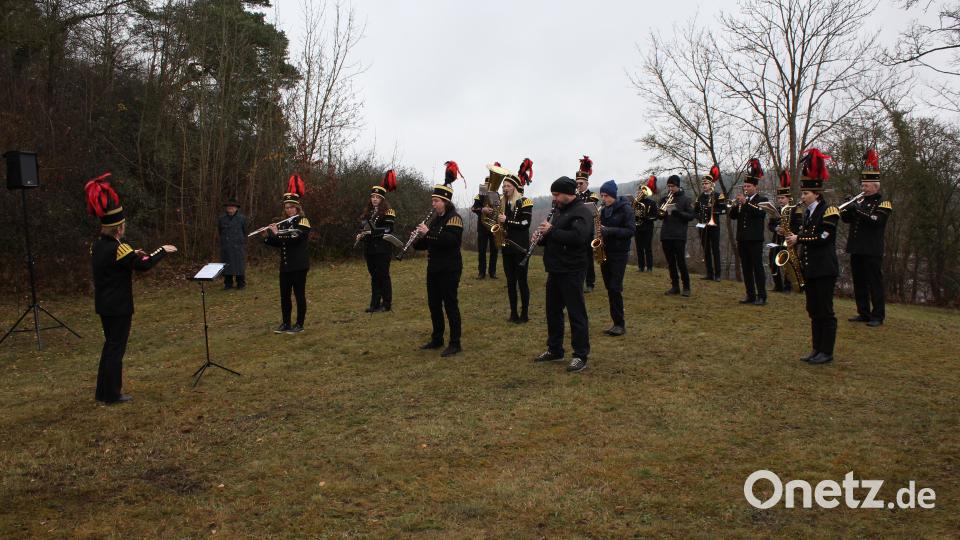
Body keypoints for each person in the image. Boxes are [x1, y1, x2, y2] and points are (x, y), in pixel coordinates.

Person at [85, 173, 176, 404]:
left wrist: (132, 254)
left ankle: (102, 392)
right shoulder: (120, 246)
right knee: (116, 350)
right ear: (118, 228)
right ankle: (113, 394)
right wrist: (162, 250)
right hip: (119, 306)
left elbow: (116, 263)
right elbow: (143, 266)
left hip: (104, 304)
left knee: (109, 347)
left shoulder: (97, 245)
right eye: (123, 226)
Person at [534, 176, 594, 373]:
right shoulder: (560, 210)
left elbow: (578, 238)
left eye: (557, 194)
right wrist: (541, 237)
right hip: (555, 269)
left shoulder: (582, 212)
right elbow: (555, 237)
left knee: (576, 314)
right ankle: (555, 349)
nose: (555, 199)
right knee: (553, 312)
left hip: (573, 269)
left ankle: (580, 355)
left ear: (568, 193)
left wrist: (551, 231)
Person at [786, 148, 840, 365]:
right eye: (802, 194)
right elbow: (807, 234)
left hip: (824, 269)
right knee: (814, 310)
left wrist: (799, 239)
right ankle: (816, 348)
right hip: (811, 269)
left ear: (816, 193)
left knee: (826, 311)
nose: (803, 197)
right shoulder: (807, 213)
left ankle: (827, 351)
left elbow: (824, 236)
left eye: (806, 194)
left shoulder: (830, 211)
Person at [841, 148, 893, 327]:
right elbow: (848, 220)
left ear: (875, 186)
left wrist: (858, 210)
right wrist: (847, 209)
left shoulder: (883, 203)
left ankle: (878, 315)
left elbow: (876, 221)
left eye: (866, 186)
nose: (862, 189)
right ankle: (863, 312)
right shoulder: (860, 202)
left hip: (872, 249)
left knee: (874, 283)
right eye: (862, 186)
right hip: (856, 248)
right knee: (859, 282)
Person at [415, 183, 464, 357]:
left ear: (445, 201)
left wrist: (428, 233)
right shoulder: (435, 220)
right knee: (434, 304)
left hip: (450, 268)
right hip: (434, 267)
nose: (433, 204)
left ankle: (455, 342)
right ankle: (437, 338)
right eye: (433, 201)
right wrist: (418, 237)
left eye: (436, 201)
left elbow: (450, 241)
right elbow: (425, 244)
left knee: (450, 304)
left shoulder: (454, 218)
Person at [261, 175, 311, 334]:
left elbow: (294, 239)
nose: (288, 210)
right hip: (286, 265)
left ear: (297, 208)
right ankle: (286, 323)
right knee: (284, 296)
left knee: (299, 295)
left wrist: (277, 233)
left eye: (291, 207)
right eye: (286, 207)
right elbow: (279, 243)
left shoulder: (303, 221)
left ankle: (299, 324)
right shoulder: (284, 223)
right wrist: (267, 237)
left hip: (299, 265)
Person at [597, 180, 635, 336]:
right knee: (609, 289)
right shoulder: (603, 210)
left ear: (613, 195)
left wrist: (609, 231)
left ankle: (620, 324)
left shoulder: (626, 209)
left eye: (606, 196)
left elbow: (630, 231)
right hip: (605, 252)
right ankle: (615, 322)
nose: (603, 199)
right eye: (602, 195)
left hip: (619, 253)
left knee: (615, 287)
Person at [729, 159, 769, 306]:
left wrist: (746, 203)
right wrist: (735, 205)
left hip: (755, 239)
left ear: (755, 187)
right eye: (744, 186)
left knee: (757, 268)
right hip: (742, 239)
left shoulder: (761, 199)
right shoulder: (742, 201)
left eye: (748, 186)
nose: (746, 188)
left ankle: (762, 296)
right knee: (746, 268)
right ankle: (750, 294)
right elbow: (733, 217)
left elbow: (760, 214)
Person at [358, 171, 398, 312]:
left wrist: (370, 232)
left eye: (377, 197)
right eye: (373, 197)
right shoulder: (368, 213)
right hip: (370, 250)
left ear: (382, 199)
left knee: (383, 275)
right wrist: (362, 235)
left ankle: (386, 304)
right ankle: (374, 304)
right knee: (374, 276)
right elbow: (363, 228)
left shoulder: (389, 211)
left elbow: (388, 229)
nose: (374, 199)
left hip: (382, 249)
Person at [498, 173, 533, 323]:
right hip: (506, 248)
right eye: (504, 186)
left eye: (508, 186)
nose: (505, 189)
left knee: (522, 281)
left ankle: (524, 313)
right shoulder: (502, 203)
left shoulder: (525, 201)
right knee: (510, 282)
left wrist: (508, 220)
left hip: (520, 248)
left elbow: (526, 224)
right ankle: (513, 313)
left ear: (515, 187)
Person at [656, 175, 695, 297]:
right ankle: (675, 286)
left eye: (672, 186)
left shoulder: (685, 200)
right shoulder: (664, 199)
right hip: (666, 234)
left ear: (678, 186)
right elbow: (660, 216)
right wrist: (661, 212)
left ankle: (686, 287)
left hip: (679, 235)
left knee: (681, 262)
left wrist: (678, 213)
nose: (670, 188)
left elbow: (691, 216)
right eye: (669, 186)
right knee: (671, 262)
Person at [693, 167, 727, 281]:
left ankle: (718, 274)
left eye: (706, 183)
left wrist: (712, 211)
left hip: (714, 226)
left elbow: (724, 210)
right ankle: (709, 273)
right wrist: (699, 218)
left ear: (712, 184)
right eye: (703, 183)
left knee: (715, 250)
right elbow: (695, 211)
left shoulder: (718, 195)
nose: (704, 185)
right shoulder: (700, 197)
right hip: (703, 227)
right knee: (706, 250)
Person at [575, 160, 599, 292]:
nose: (578, 185)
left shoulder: (592, 195)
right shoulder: (574, 195)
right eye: (577, 183)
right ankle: (578, 280)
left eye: (581, 183)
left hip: (587, 230)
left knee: (588, 258)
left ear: (587, 184)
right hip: (575, 229)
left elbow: (589, 208)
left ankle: (590, 282)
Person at [768, 172, 794, 293]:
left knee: (787, 263)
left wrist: (787, 230)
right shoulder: (776, 210)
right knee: (772, 261)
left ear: (788, 198)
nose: (780, 200)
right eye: (779, 198)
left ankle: (788, 286)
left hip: (788, 240)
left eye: (782, 198)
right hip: (776, 240)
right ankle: (778, 286)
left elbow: (799, 225)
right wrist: (776, 229)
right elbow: (770, 225)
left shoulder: (795, 210)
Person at [471, 177, 499, 280]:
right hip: (482, 227)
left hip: (494, 226)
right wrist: (482, 209)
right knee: (482, 251)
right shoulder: (480, 195)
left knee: (494, 250)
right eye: (487, 183)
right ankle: (481, 272)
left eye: (490, 184)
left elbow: (498, 208)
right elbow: (473, 208)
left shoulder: (495, 195)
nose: (488, 186)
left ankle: (492, 272)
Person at [217, 200, 247, 290]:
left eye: (233, 206)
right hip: (226, 246)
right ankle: (228, 284)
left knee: (239, 266)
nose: (230, 208)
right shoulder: (221, 219)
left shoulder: (242, 218)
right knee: (226, 266)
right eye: (229, 206)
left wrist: (240, 240)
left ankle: (241, 284)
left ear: (236, 208)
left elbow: (245, 231)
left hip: (238, 246)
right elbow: (220, 231)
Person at [633, 176, 658, 272]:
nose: (640, 193)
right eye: (639, 191)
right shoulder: (635, 202)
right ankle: (641, 266)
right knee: (639, 248)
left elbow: (655, 216)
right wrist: (635, 214)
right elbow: (632, 215)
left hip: (647, 227)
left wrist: (645, 216)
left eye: (642, 191)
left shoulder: (652, 203)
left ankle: (650, 267)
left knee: (647, 248)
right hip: (637, 227)